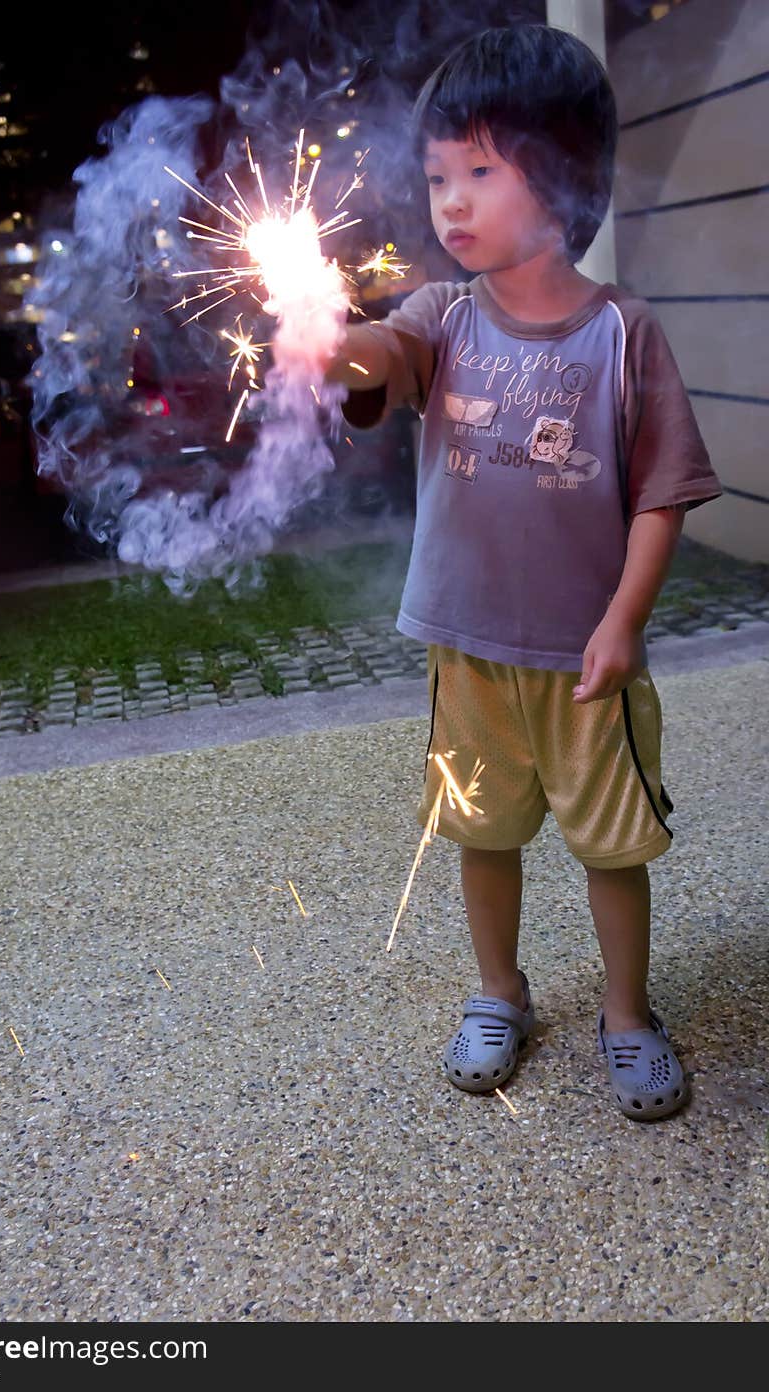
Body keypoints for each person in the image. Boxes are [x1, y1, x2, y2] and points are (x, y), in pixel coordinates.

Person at [322, 24, 722, 1121]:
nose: (448, 201)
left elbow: (660, 491)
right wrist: (328, 337)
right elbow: (381, 363)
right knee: (480, 835)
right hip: (468, 650)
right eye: (438, 175)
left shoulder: (623, 335)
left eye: (479, 172)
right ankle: (498, 992)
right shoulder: (438, 319)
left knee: (610, 848)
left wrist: (623, 622)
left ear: (562, 177)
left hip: (585, 661)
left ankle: (628, 1012)